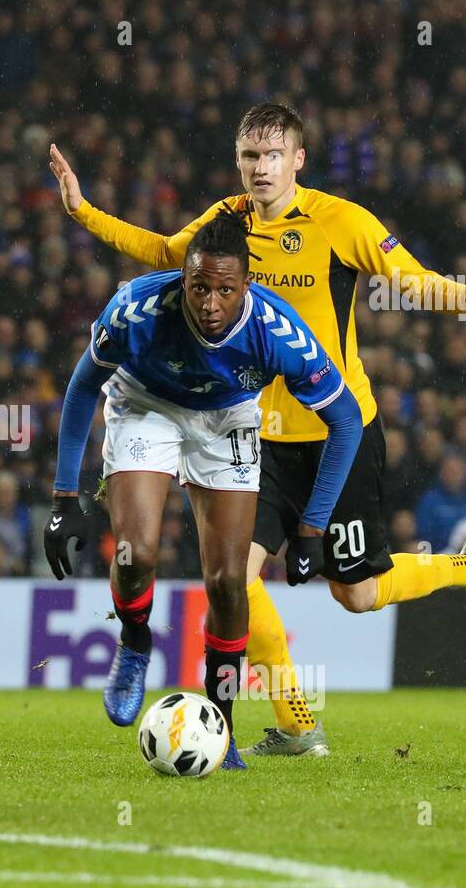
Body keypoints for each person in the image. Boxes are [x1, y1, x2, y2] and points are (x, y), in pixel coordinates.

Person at [50, 102, 466, 756]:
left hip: (341, 430)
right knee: (233, 579)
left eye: (272, 155)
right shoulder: (224, 222)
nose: (259, 168)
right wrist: (84, 212)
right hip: (257, 436)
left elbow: (413, 284)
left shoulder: (342, 221)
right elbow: (166, 253)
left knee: (357, 594)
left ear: (298, 160)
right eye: (249, 156)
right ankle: (297, 722)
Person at [44, 210, 363, 767]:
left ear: (246, 285)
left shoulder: (278, 331)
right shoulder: (137, 310)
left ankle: (222, 724)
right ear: (183, 279)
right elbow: (81, 387)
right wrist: (64, 498)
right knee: (135, 553)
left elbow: (347, 421)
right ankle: (137, 640)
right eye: (198, 287)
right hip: (147, 404)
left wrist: (312, 527)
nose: (210, 303)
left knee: (226, 584)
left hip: (229, 420)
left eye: (224, 290)